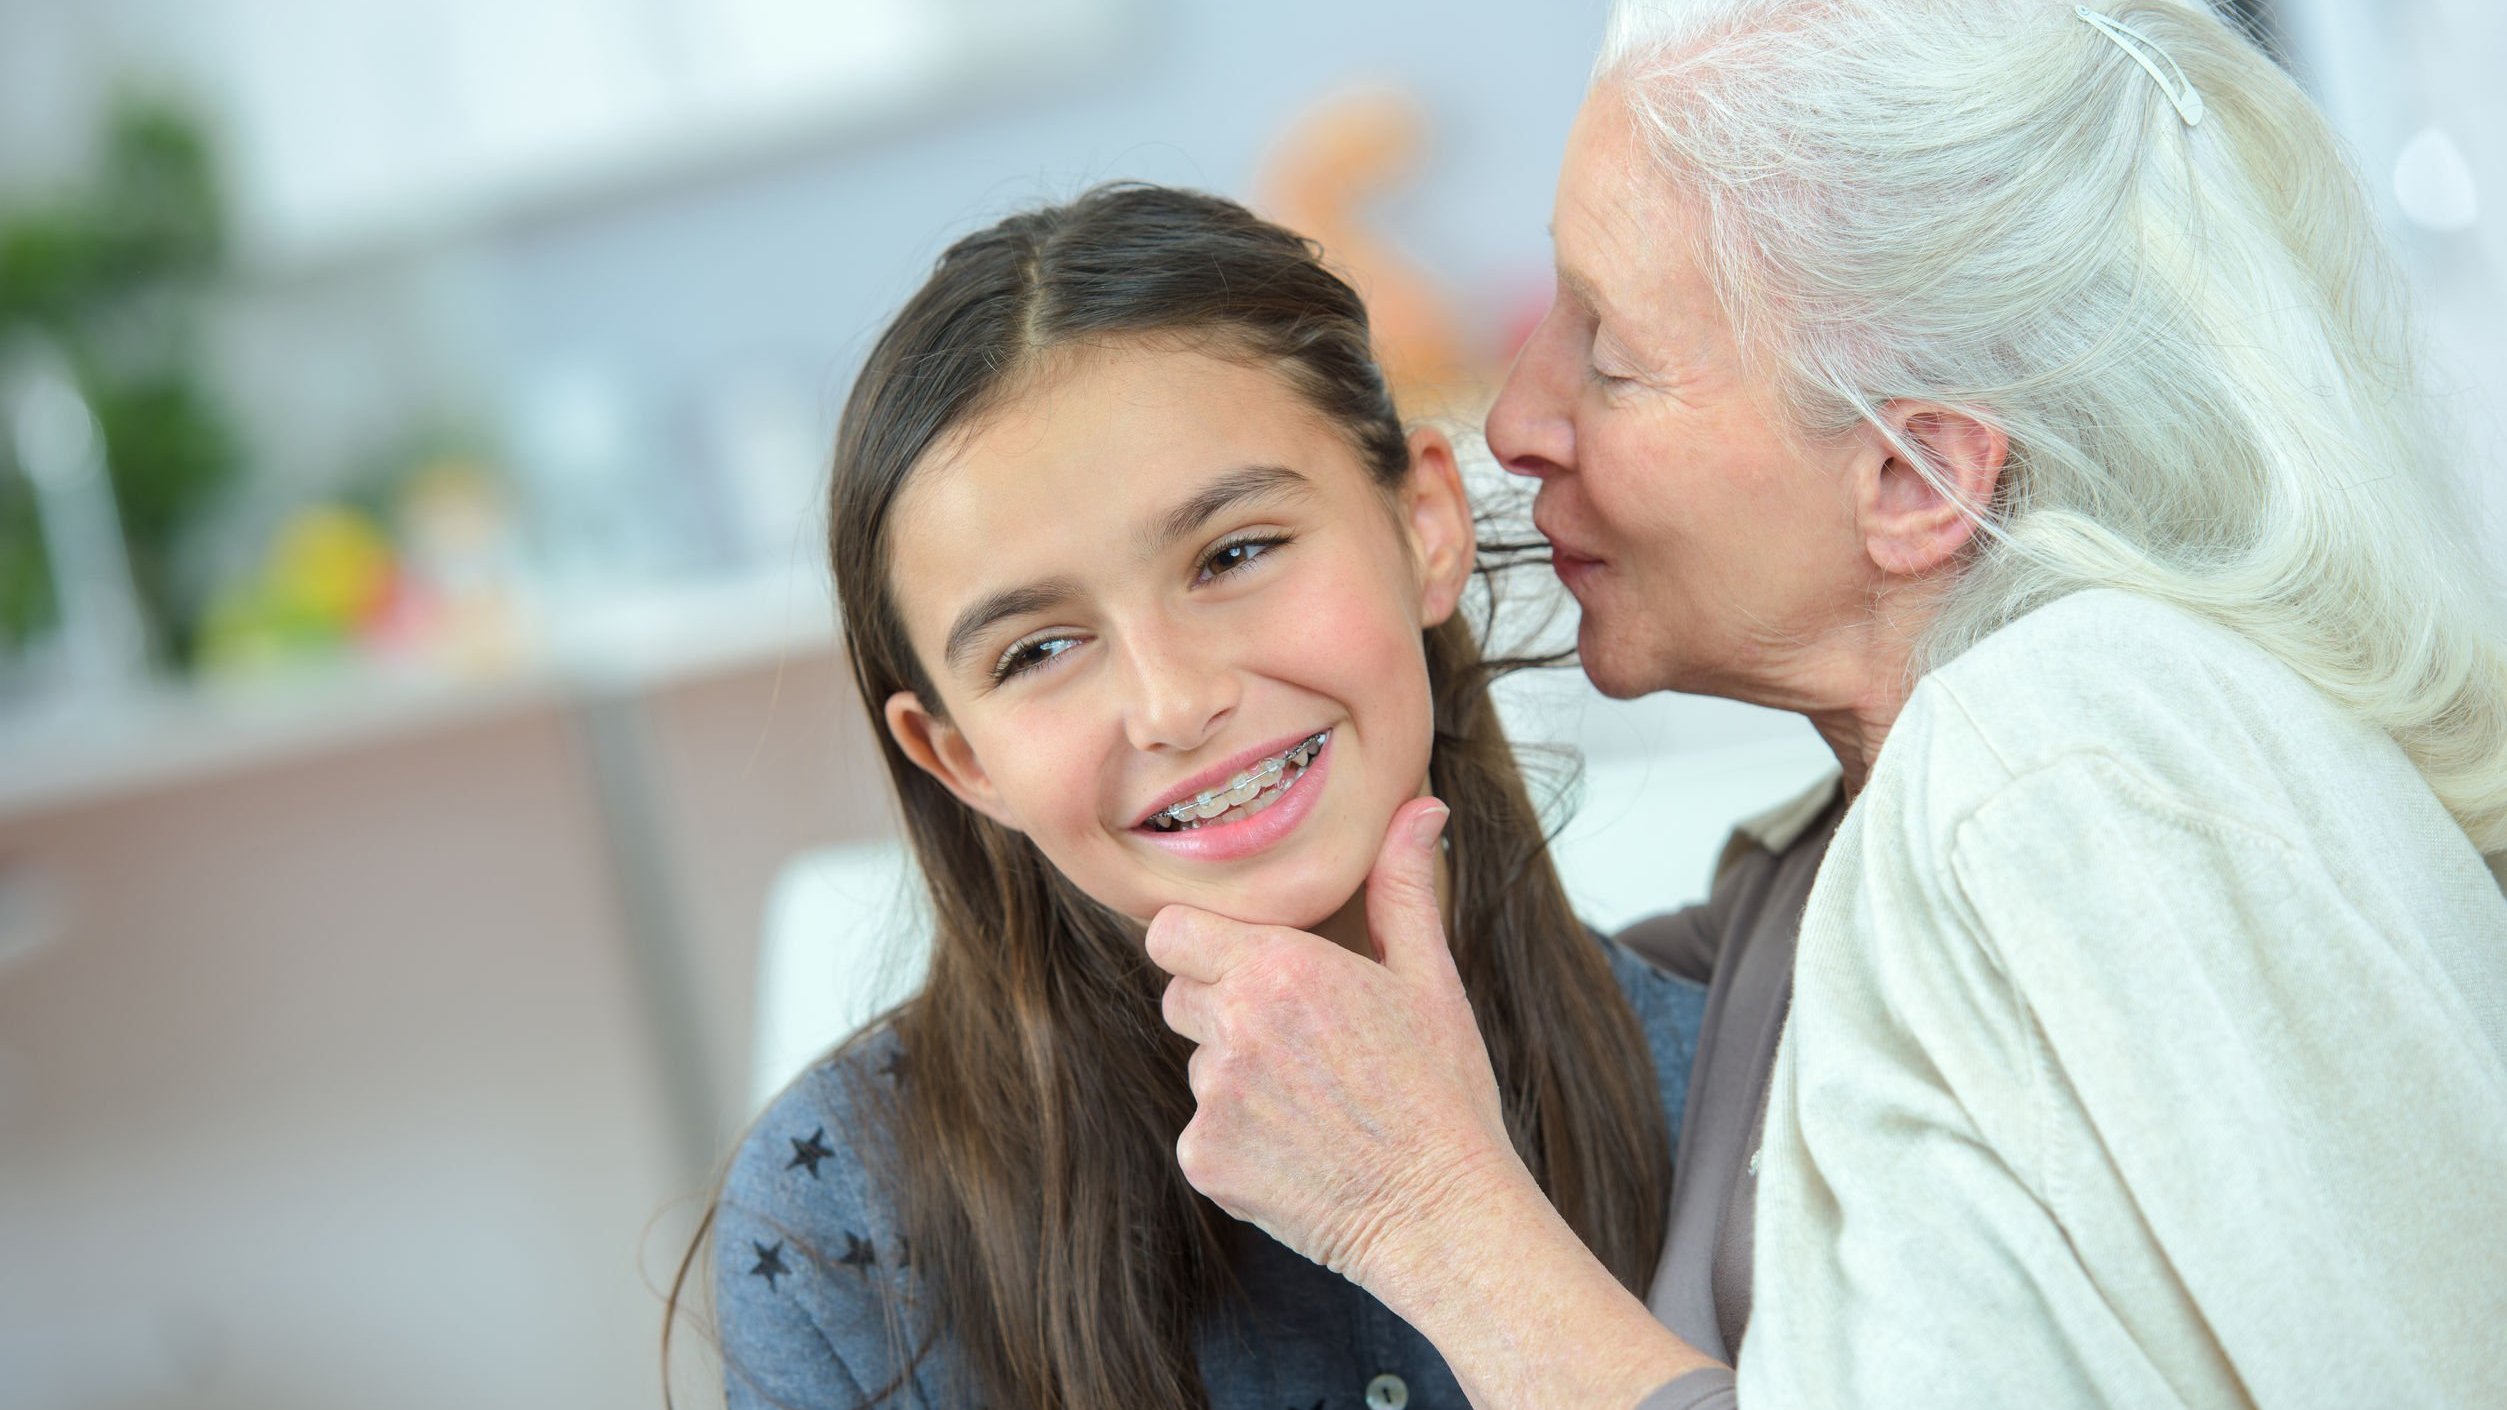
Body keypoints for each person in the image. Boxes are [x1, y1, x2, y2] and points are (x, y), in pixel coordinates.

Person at [1145, 2, 2507, 1407]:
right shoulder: (1826, 876)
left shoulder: (2066, 752)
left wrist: (1425, 1215)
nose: (1512, 420)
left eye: (1607, 352)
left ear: (1913, 479)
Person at [670, 183, 1709, 1410]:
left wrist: (1436, 1216)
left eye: (1233, 554)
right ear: (957, 760)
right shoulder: (839, 1218)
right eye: (1037, 651)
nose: (1170, 701)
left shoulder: (1735, 1074)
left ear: (1424, 522)